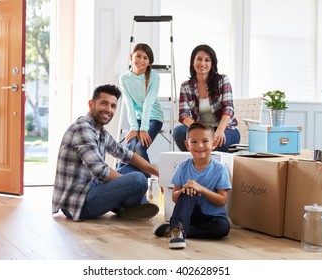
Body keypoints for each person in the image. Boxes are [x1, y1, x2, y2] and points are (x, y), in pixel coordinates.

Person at [52, 84, 159, 222]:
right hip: (80, 203)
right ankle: (132, 205)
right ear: (91, 104)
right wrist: (130, 185)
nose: (108, 109)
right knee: (138, 179)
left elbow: (128, 155)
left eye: (113, 106)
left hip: (94, 188)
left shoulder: (100, 132)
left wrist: (160, 173)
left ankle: (126, 207)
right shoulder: (83, 128)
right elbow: (100, 171)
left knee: (134, 167)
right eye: (104, 103)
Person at [153, 121, 232, 249]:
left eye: (205, 141)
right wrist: (184, 189)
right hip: (188, 215)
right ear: (187, 145)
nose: (199, 145)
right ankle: (177, 231)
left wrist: (200, 188)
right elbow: (174, 197)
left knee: (223, 228)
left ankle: (176, 230)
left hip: (212, 218)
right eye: (194, 142)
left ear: (214, 144)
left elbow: (222, 200)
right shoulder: (182, 167)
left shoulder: (220, 169)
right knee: (188, 192)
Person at [173, 44, 240, 152]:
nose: (202, 63)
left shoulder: (222, 80)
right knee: (179, 132)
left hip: (225, 129)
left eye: (207, 60)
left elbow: (229, 108)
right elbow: (183, 114)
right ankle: (198, 163)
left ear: (212, 63)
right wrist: (199, 129)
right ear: (193, 62)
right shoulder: (186, 86)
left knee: (218, 142)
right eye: (199, 59)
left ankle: (209, 165)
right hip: (201, 131)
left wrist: (219, 131)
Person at [117, 43, 164, 179]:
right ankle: (123, 180)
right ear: (131, 57)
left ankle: (149, 185)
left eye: (145, 58)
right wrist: (134, 127)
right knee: (129, 147)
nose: (141, 61)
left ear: (149, 62)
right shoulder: (124, 78)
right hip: (136, 120)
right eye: (138, 56)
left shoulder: (154, 77)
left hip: (153, 118)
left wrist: (143, 128)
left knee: (139, 148)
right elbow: (129, 103)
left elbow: (148, 103)